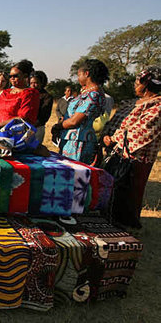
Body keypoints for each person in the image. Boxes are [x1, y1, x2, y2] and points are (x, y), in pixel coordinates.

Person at [102, 67, 161, 229]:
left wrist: (113, 139)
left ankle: (127, 228)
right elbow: (114, 122)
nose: (135, 84)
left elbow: (141, 132)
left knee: (129, 194)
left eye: (137, 81)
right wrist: (106, 135)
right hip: (116, 154)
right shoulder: (132, 103)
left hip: (136, 160)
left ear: (147, 84)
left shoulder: (157, 107)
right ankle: (109, 222)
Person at [51, 59, 107, 164]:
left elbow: (74, 121)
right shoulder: (89, 93)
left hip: (79, 142)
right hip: (72, 139)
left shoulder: (93, 95)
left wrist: (58, 126)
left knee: (73, 173)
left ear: (87, 74)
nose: (78, 78)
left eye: (79, 75)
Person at [0, 59, 40, 133]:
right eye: (10, 76)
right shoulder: (6, 93)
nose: (12, 78)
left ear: (25, 76)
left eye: (15, 76)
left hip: (16, 134)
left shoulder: (30, 94)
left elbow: (22, 118)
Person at [30, 70, 53, 143]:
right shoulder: (27, 95)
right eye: (31, 83)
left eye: (36, 83)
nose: (33, 85)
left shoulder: (46, 97)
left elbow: (44, 116)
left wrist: (32, 125)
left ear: (41, 83)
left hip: (37, 128)